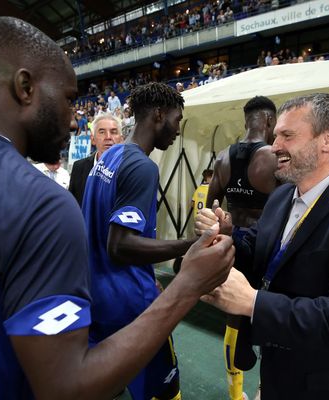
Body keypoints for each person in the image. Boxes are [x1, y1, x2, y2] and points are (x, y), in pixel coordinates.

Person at [0, 17, 235, 400]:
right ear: (25, 88)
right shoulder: (36, 201)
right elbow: (65, 388)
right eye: (69, 99)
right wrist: (187, 285)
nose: (74, 119)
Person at [197, 93, 329, 400]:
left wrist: (252, 302)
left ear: (328, 139)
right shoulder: (281, 196)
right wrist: (230, 236)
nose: (275, 146)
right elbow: (261, 249)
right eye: (276, 134)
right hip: (279, 371)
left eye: (287, 136)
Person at [82, 82, 205, 400]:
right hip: (132, 305)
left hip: (99, 298)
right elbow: (120, 245)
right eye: (177, 120)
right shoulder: (141, 166)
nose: (178, 130)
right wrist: (189, 244)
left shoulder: (107, 160)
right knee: (165, 391)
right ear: (160, 115)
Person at [205, 95, 278, 400]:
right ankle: (266, 390)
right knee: (271, 319)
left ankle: (236, 395)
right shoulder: (274, 157)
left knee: (234, 318)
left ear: (246, 120)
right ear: (270, 121)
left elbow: (209, 206)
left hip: (234, 249)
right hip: (265, 251)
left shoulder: (223, 157)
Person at [69, 114, 123, 205]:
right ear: (93, 139)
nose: (108, 137)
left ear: (121, 140)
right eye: (102, 132)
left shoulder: (132, 169)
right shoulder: (79, 167)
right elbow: (72, 205)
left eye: (113, 132)